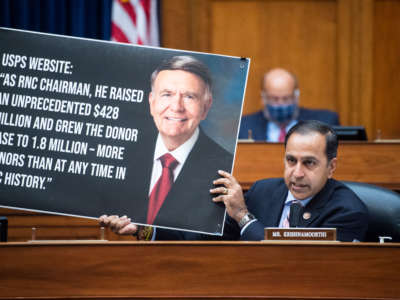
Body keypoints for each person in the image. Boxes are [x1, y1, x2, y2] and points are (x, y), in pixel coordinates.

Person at [101, 120, 368, 242]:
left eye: (309, 163)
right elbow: (200, 237)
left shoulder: (347, 211)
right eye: (290, 160)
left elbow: (291, 262)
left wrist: (243, 216)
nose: (296, 173)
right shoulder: (265, 191)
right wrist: (143, 230)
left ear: (331, 167)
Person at [100, 55, 233, 235]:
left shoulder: (224, 168)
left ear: (206, 107)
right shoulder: (121, 155)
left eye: (189, 96)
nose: (177, 107)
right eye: (167, 95)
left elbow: (202, 238)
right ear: (151, 102)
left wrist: (144, 232)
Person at [238, 68, 340, 142]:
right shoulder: (242, 126)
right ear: (263, 98)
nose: (281, 104)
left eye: (286, 98)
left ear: (296, 96)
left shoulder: (324, 123)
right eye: (274, 99)